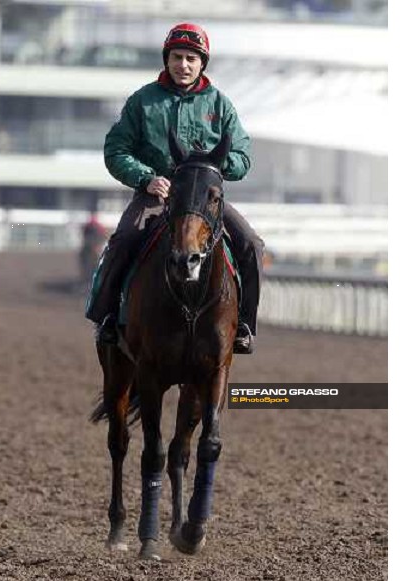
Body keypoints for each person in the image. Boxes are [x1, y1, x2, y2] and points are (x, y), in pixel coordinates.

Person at [86, 23, 264, 354]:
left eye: (191, 59)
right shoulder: (142, 101)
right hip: (156, 196)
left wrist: (211, 169)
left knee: (251, 244)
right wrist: (146, 178)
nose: (183, 65)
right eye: (177, 57)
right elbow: (116, 151)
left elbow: (243, 157)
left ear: (202, 64)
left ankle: (244, 325)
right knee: (124, 239)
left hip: (204, 198)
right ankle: (107, 317)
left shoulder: (221, 105)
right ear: (167, 60)